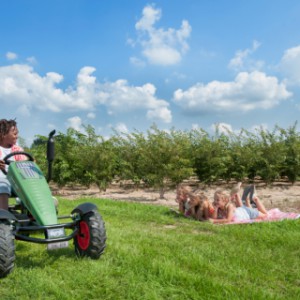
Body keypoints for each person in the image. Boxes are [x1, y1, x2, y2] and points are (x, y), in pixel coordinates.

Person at [0, 119, 24, 210]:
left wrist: (30, 162)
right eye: (14, 134)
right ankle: (3, 216)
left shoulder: (17, 150)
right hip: (2, 180)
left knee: (29, 186)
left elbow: (24, 162)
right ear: (3, 134)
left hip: (15, 181)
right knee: (3, 184)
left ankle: (33, 215)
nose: (17, 136)